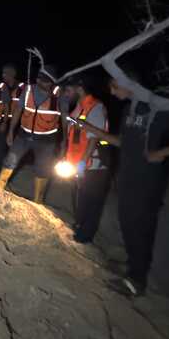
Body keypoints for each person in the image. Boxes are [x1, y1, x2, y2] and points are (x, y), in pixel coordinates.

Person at [79, 73, 169, 297]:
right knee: (127, 222)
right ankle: (132, 266)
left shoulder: (159, 108)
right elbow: (122, 141)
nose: (111, 91)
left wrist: (163, 152)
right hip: (127, 176)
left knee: (140, 226)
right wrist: (94, 130)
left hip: (148, 180)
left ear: (130, 82)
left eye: (114, 86)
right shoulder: (129, 108)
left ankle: (136, 281)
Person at [0, 65, 68, 204]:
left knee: (43, 169)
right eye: (42, 80)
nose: (45, 84)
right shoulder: (28, 90)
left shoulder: (60, 95)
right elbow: (18, 111)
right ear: (38, 79)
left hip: (47, 140)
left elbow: (64, 119)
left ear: (53, 82)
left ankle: (37, 200)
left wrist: (65, 139)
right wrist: (11, 131)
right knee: (11, 160)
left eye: (48, 81)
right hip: (23, 135)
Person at [62, 78, 110, 244]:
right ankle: (79, 227)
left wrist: (82, 163)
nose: (66, 95)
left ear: (79, 89)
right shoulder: (79, 107)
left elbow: (93, 139)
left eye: (68, 91)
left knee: (91, 203)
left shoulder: (95, 107)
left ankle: (84, 237)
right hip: (79, 163)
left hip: (94, 164)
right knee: (80, 198)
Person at [0, 64, 25, 171]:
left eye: (6, 73)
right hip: (3, 119)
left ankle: (10, 168)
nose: (3, 75)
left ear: (13, 74)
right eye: (3, 73)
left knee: (12, 146)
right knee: (0, 144)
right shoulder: (1, 86)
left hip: (17, 121)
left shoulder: (22, 87)